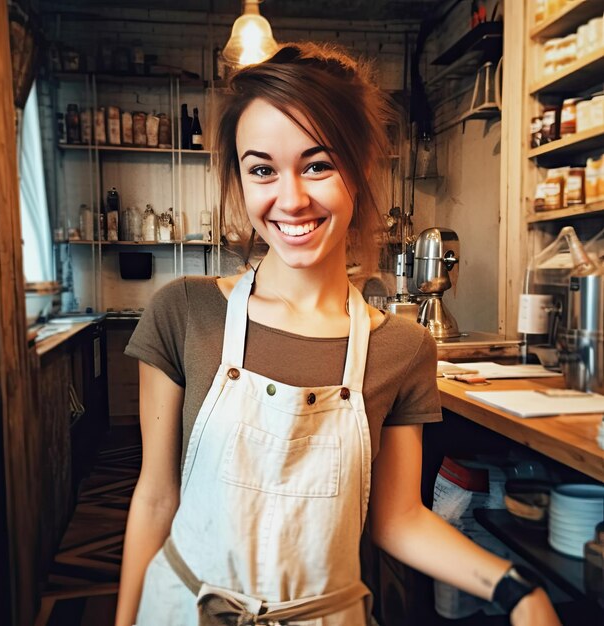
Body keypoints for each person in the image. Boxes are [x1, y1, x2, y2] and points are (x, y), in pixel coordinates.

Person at [115, 42, 561, 626]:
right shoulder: (184, 313)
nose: (291, 198)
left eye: (318, 164)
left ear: (361, 166)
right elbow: (155, 498)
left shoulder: (403, 350)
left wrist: (517, 590)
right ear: (240, 179)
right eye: (262, 170)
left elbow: (397, 518)